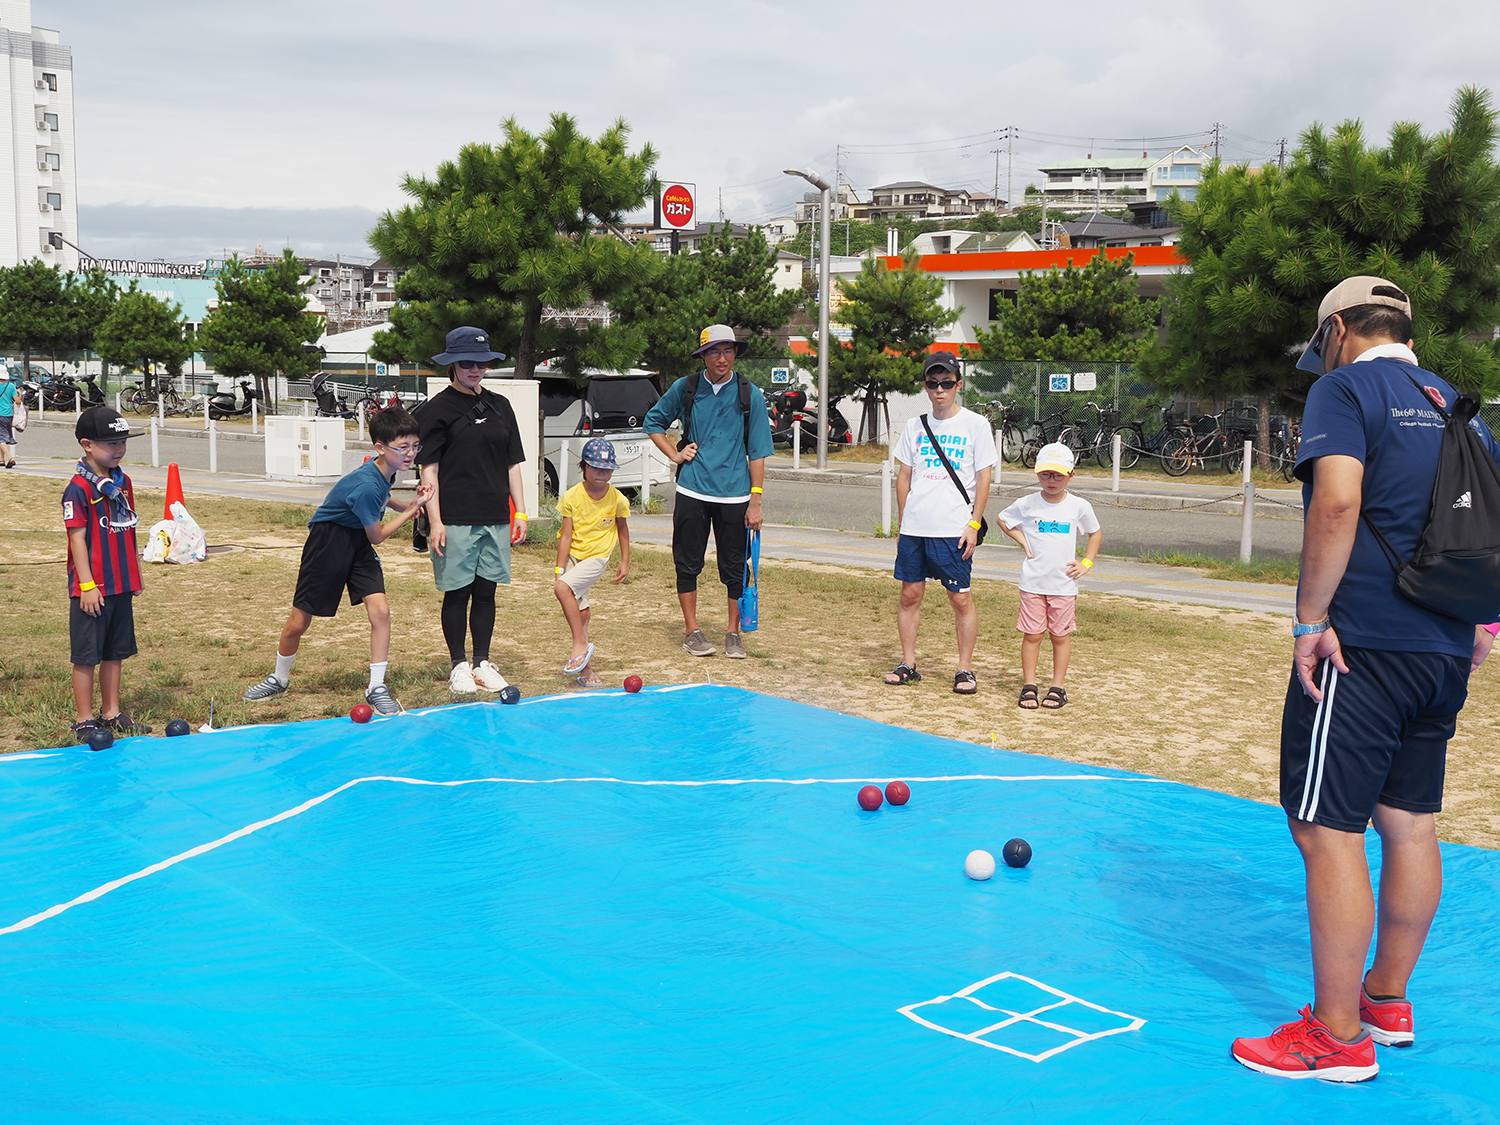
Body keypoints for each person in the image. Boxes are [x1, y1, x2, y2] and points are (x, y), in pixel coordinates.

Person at [1230, 277, 1500, 1082]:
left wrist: (1310, 620)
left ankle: (1336, 1034)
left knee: (1326, 827)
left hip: (1361, 646)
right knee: (1410, 822)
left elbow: (1338, 503)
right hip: (1445, 647)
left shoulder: (1345, 389)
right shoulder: (1462, 406)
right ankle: (1386, 999)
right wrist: (1484, 622)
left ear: (1338, 329)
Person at [244, 407, 433, 715]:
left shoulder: (383, 470)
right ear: (380, 448)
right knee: (299, 622)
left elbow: (383, 499)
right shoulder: (366, 485)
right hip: (328, 543)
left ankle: (377, 686)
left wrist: (405, 504)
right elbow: (378, 535)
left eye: (415, 446)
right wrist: (413, 510)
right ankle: (279, 678)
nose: (411, 453)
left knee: (381, 611)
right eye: (403, 448)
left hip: (356, 542)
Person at [644, 324, 774, 659]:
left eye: (728, 350)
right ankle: (692, 631)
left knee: (735, 567)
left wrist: (755, 501)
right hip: (693, 490)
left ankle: (733, 633)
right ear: (702, 355)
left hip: (735, 495)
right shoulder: (686, 388)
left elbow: (757, 450)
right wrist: (675, 454)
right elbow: (653, 422)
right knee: (687, 563)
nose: (722, 358)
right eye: (714, 351)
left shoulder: (750, 394)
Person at [416, 326, 528, 695]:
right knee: (457, 592)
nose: (475, 369)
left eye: (481, 362)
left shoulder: (501, 405)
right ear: (452, 364)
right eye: (467, 362)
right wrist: (435, 521)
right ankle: (458, 665)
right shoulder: (436, 410)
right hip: (454, 516)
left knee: (486, 592)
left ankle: (482, 662)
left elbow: (513, 463)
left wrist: (521, 512)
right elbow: (428, 468)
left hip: (495, 515)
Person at [883, 352, 996, 695]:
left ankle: (964, 669)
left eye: (946, 383)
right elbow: (904, 476)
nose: (940, 390)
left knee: (960, 599)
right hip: (917, 528)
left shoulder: (976, 425)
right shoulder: (916, 426)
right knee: (909, 595)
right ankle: (908, 663)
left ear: (958, 385)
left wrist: (974, 524)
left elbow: (984, 477)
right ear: (925, 387)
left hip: (954, 529)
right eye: (933, 384)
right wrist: (903, 524)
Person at [63, 407, 149, 741]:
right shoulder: (79, 489)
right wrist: (86, 585)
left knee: (116, 651)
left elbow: (128, 526)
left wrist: (135, 571)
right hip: (92, 586)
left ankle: (111, 711)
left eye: (122, 442)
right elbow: (77, 539)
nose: (118, 449)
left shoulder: (122, 481)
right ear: (86, 444)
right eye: (110, 443)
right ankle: (85, 719)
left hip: (120, 582)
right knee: (87, 655)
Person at [998, 442, 1102, 710]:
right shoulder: (1027, 503)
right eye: (1045, 474)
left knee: (1060, 636)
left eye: (1058, 475)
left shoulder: (1078, 506)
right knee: (1032, 634)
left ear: (1071, 475)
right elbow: (1002, 520)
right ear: (1036, 474)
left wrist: (1086, 563)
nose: (1051, 480)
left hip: (1064, 585)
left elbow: (1095, 532)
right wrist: (1021, 539)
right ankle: (1029, 685)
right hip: (1032, 583)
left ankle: (1057, 686)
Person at [554, 437, 631, 687]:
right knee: (582, 613)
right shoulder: (571, 496)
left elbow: (623, 531)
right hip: (576, 557)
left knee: (562, 588)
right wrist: (560, 568)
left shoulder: (618, 499)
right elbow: (566, 536)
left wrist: (625, 562)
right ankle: (586, 670)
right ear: (584, 466)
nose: (601, 472)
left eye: (607, 468)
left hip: (598, 558)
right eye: (596, 467)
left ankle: (580, 645)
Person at [0, 366, 17, 467]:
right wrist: (19, 394)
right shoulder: (10, 386)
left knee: (0, 438)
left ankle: (10, 458)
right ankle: (1, 460)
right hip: (8, 414)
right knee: (2, 435)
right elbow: (17, 400)